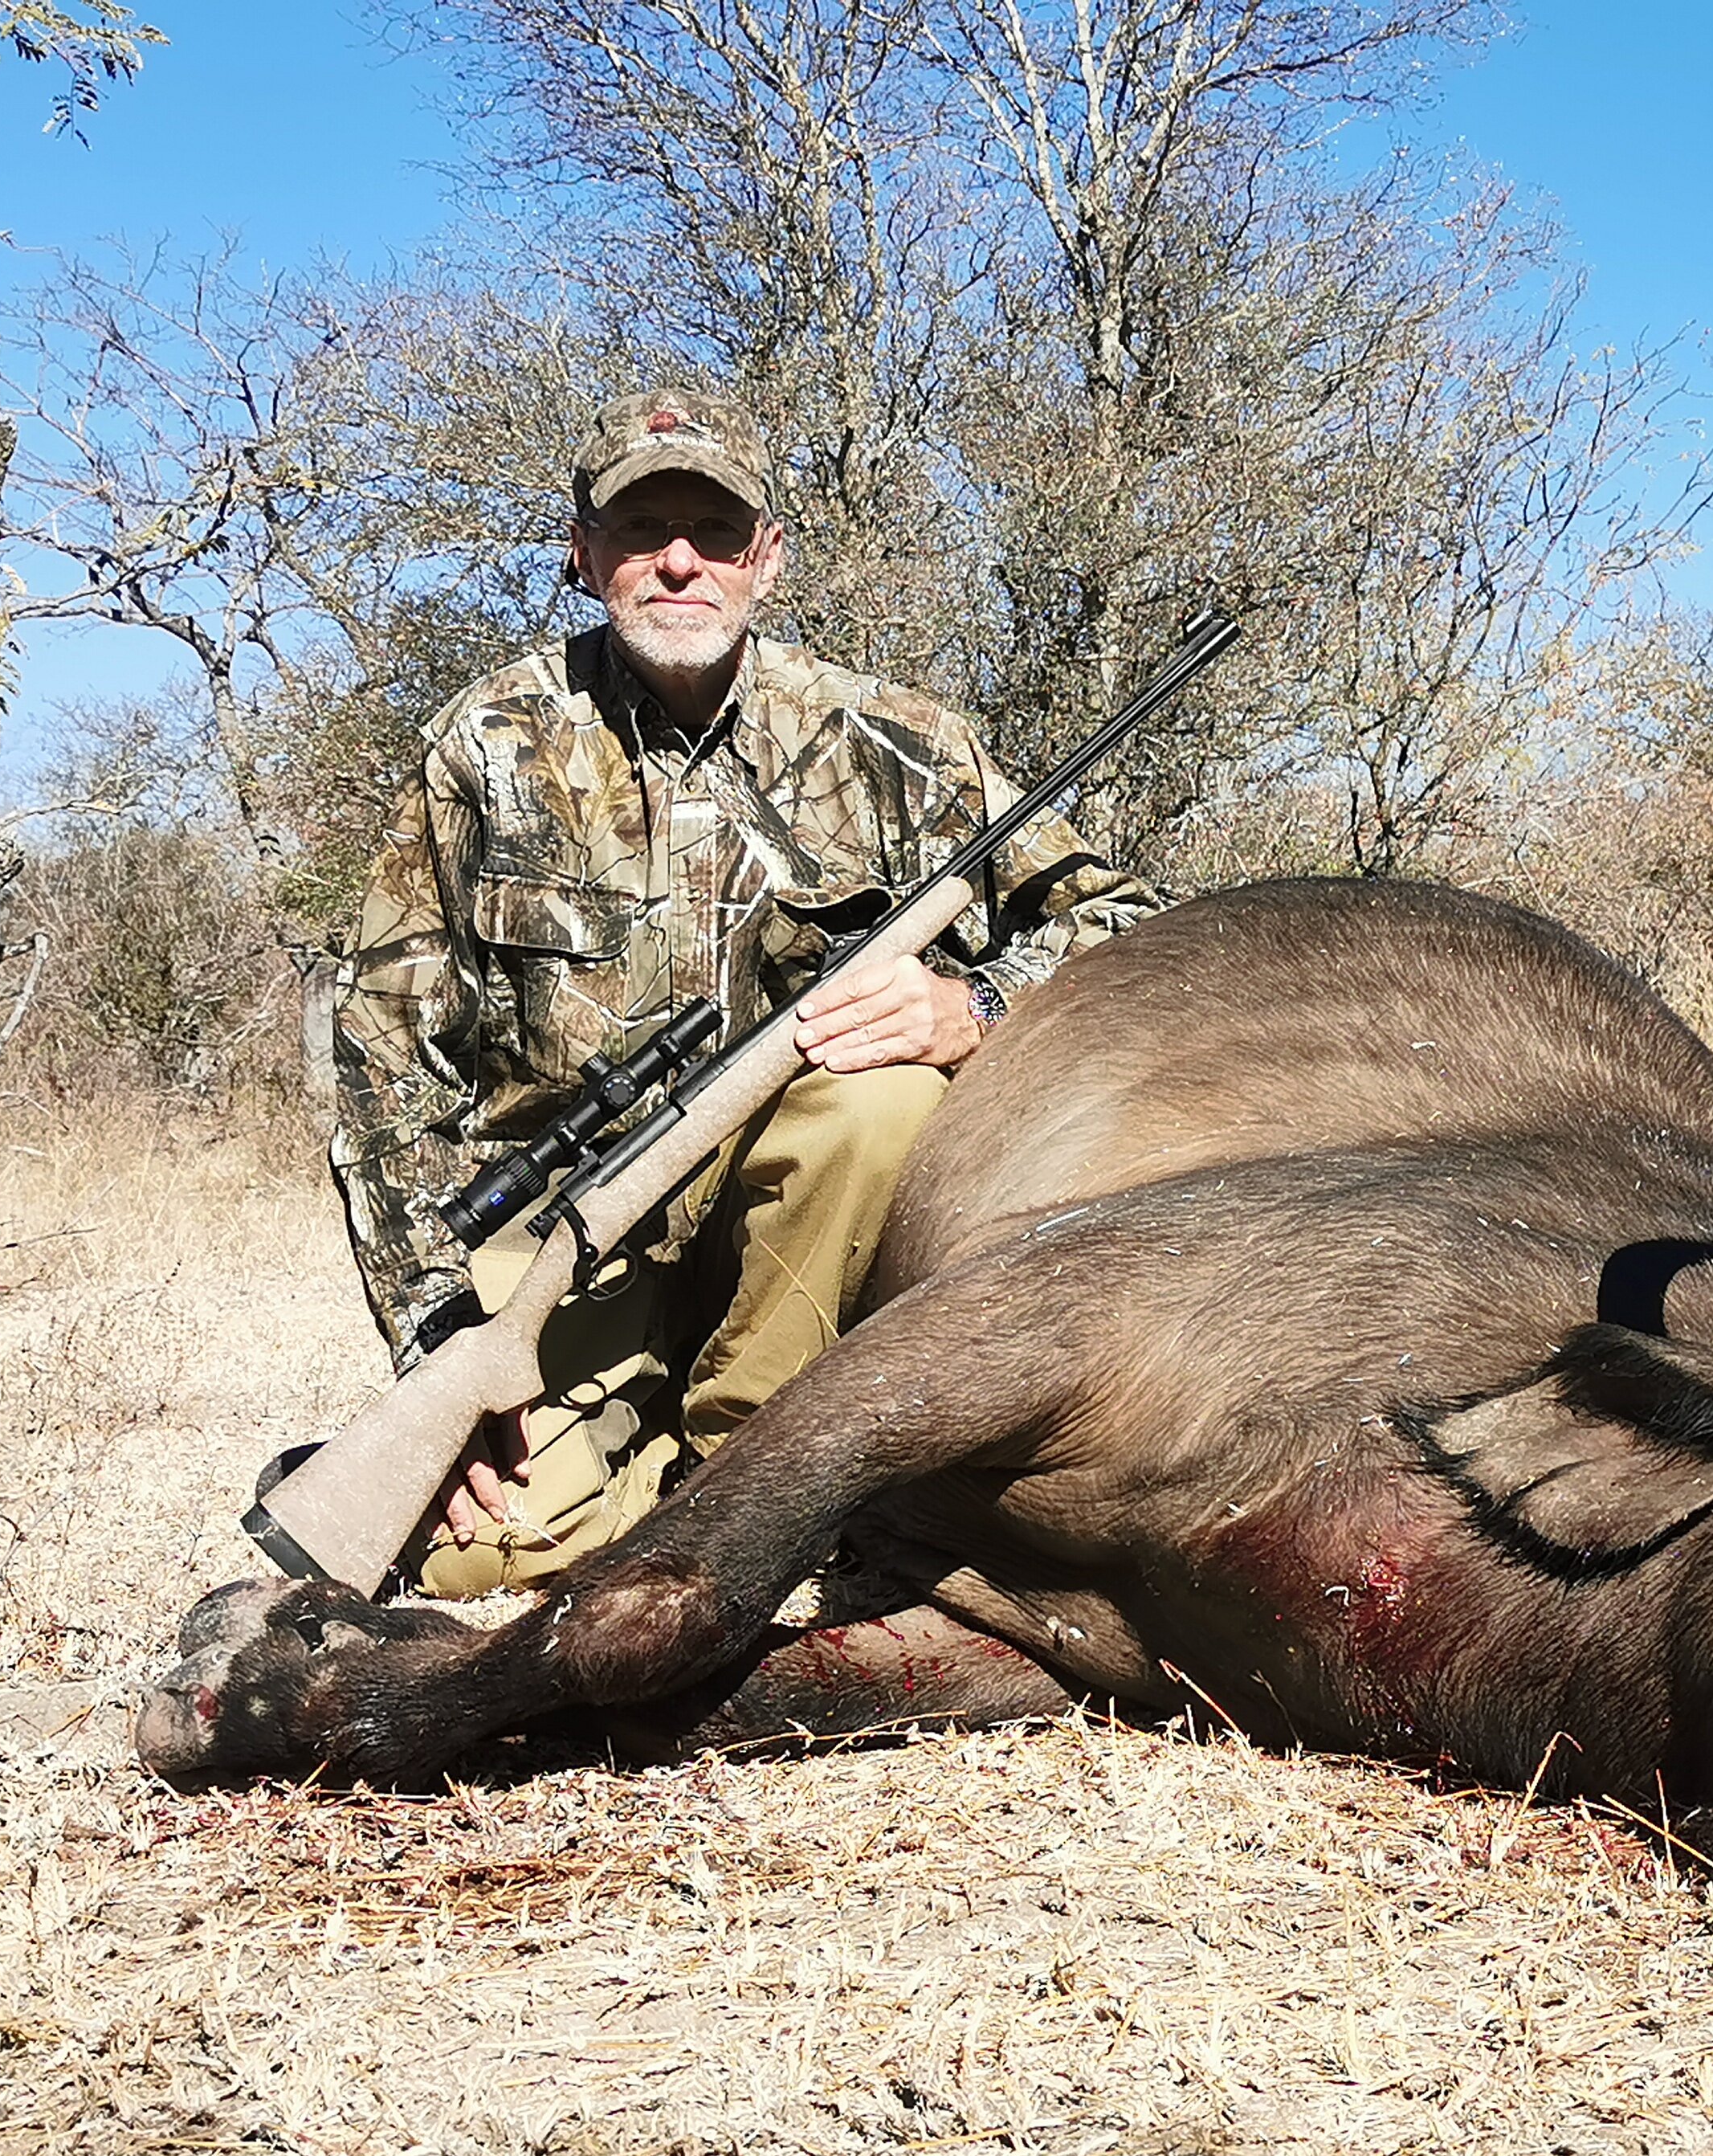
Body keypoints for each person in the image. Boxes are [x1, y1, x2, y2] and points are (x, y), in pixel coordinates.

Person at [328, 388, 1157, 1596]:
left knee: (872, 1107)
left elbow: (1127, 927)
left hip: (809, 1249)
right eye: (640, 529)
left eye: (715, 533)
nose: (679, 562)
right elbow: (381, 1051)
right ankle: (674, 1482)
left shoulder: (892, 739)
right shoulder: (488, 744)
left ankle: (735, 1486)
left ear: (766, 560)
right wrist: (439, 1340)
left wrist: (973, 1011)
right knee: (475, 1562)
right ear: (582, 555)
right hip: (574, 1229)